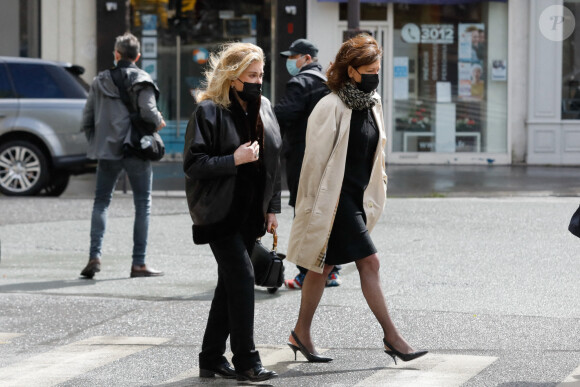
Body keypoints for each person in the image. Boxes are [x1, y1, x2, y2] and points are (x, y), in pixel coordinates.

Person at [285, 34, 428, 365]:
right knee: (370, 262)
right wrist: (307, 209)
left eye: (377, 68)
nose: (374, 75)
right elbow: (313, 165)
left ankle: (300, 333)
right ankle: (393, 338)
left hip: (357, 198)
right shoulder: (330, 106)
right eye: (368, 69)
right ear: (350, 71)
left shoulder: (372, 102)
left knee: (322, 267)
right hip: (334, 202)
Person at [183, 42, 281, 382]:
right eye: (251, 75)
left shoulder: (263, 106)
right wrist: (233, 160)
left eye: (261, 75)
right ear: (232, 77)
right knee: (242, 278)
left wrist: (272, 208)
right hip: (218, 213)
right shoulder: (208, 111)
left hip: (250, 213)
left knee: (229, 285)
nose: (258, 81)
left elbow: (273, 159)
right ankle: (246, 361)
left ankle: (210, 358)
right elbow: (194, 164)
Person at [80, 33, 166, 279]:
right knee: (142, 204)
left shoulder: (99, 81)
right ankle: (138, 263)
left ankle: (94, 256)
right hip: (136, 148)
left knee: (101, 202)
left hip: (107, 151)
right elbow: (149, 113)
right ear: (137, 56)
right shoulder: (142, 78)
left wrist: (97, 144)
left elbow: (87, 119)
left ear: (116, 54)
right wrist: (159, 122)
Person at [274, 38, 342, 289]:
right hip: (330, 156)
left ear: (306, 59)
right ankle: (332, 270)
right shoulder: (330, 83)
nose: (291, 62)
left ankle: (305, 272)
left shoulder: (300, 82)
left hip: (303, 158)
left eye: (294, 57)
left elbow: (282, 113)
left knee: (304, 211)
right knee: (328, 212)